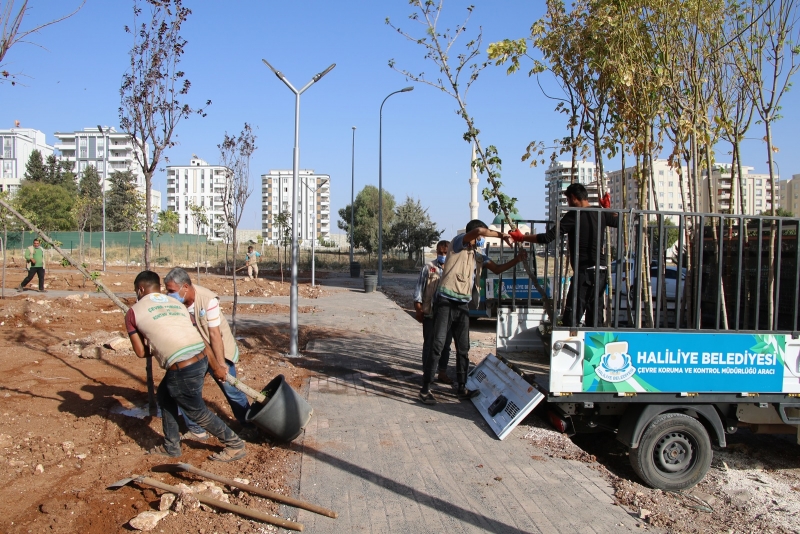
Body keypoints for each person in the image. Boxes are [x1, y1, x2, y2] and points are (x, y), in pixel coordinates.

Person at [126, 270, 246, 462]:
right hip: (201, 357)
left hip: (181, 366)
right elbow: (200, 338)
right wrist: (215, 366)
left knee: (195, 410)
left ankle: (235, 444)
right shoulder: (176, 304)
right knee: (165, 396)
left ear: (140, 289)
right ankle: (172, 446)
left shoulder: (133, 312)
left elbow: (141, 352)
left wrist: (157, 345)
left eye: (136, 291)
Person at [419, 220, 527, 405]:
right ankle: (425, 389)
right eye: (480, 237)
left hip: (462, 305)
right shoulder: (458, 243)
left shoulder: (478, 255)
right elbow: (477, 229)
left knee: (464, 348)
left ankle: (461, 387)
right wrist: (501, 235)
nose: (481, 239)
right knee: (437, 345)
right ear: (472, 235)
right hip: (445, 302)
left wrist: (517, 260)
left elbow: (497, 269)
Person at [164, 268, 251, 441]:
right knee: (186, 389)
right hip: (196, 352)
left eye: (172, 291)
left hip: (219, 350)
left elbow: (215, 335)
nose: (168, 294)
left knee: (231, 389)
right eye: (167, 290)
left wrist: (220, 365)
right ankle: (197, 429)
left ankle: (249, 425)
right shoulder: (174, 303)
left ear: (186, 287)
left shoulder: (207, 300)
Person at [514, 183, 618, 327]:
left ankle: (567, 345)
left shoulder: (574, 214)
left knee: (572, 315)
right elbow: (618, 221)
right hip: (601, 271)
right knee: (595, 316)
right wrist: (608, 209)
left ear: (574, 198)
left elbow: (547, 237)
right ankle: (593, 345)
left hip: (584, 272)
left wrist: (522, 238)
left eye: (568, 200)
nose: (568, 204)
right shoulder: (600, 212)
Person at [413, 240, 454, 385]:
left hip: (448, 314)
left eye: (445, 253)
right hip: (430, 313)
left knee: (445, 345)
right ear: (436, 252)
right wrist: (418, 309)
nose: (443, 255)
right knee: (429, 344)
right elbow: (418, 290)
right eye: (440, 253)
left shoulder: (454, 268)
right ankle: (427, 374)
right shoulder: (429, 268)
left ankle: (442, 372)